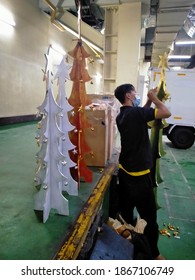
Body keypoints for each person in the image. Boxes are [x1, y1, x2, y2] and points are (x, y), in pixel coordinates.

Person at [114, 83, 171, 260]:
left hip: (124, 174)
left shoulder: (122, 116)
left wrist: (146, 101)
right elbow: (165, 112)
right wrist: (155, 99)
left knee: (126, 213)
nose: (136, 95)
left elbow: (142, 117)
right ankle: (154, 253)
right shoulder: (136, 114)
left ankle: (127, 243)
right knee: (149, 219)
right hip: (139, 179)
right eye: (134, 93)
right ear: (129, 96)